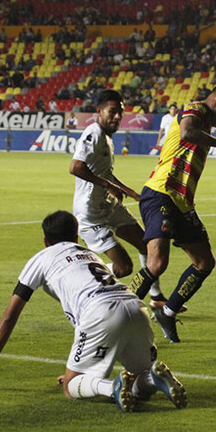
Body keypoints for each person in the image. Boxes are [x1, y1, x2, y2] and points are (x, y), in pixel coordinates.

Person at [0, 211, 187, 412]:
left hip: (100, 311)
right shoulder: (89, 254)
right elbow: (121, 268)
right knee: (141, 380)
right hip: (135, 305)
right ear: (75, 237)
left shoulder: (41, 258)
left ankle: (113, 387)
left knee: (71, 386)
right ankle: (154, 379)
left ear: (46, 241)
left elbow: (9, 316)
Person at [127, 83, 216, 343]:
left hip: (182, 203)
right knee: (157, 263)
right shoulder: (195, 110)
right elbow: (187, 131)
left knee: (205, 262)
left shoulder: (205, 125)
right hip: (160, 192)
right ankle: (113, 310)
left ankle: (168, 312)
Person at [69, 89, 169, 307]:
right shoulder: (93, 133)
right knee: (124, 268)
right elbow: (76, 167)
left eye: (120, 113)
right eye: (112, 112)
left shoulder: (107, 138)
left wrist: (131, 192)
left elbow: (104, 173)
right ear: (99, 111)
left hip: (107, 204)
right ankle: (84, 279)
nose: (116, 117)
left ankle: (156, 297)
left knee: (146, 245)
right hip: (90, 213)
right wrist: (108, 185)